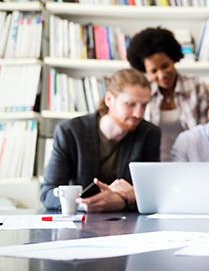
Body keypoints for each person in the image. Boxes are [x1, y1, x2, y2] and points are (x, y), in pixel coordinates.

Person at [41, 69, 160, 213]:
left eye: (144, 105)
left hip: (129, 224)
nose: (139, 114)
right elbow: (48, 192)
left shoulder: (149, 134)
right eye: (131, 104)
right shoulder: (70, 132)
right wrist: (83, 204)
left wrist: (122, 201)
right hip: (82, 226)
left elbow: (153, 194)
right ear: (109, 99)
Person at [127, 27, 209, 161]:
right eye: (153, 71)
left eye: (165, 66)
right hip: (155, 163)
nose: (162, 75)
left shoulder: (196, 86)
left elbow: (206, 132)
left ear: (174, 59)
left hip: (192, 162)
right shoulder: (143, 93)